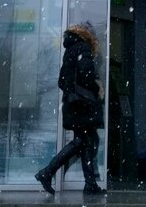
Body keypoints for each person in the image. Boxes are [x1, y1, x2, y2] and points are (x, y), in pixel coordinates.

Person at [35, 23, 106, 195]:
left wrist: (71, 92)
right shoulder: (83, 48)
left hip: (74, 104)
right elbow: (86, 74)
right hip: (83, 105)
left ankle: (90, 184)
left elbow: (61, 80)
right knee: (82, 141)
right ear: (88, 35)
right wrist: (96, 88)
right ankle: (47, 172)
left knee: (87, 141)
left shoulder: (71, 49)